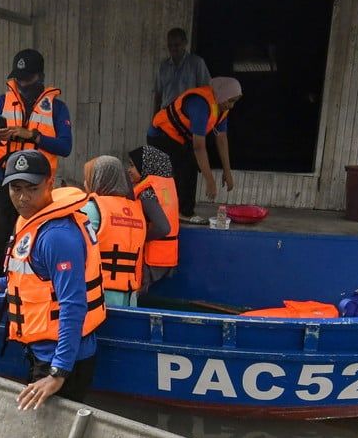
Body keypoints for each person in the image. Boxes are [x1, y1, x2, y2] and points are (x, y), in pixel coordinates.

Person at [0, 150, 105, 409]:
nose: (23, 197)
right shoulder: (33, 221)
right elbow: (34, 279)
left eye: (32, 188)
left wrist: (58, 373)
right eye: (16, 188)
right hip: (45, 351)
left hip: (62, 358)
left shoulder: (57, 236)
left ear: (50, 184)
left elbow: (74, 305)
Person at [0, 48, 74, 278]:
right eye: (18, 79)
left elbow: (65, 147)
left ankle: (38, 288)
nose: (22, 84)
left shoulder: (57, 107)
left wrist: (33, 136)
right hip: (6, 183)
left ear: (40, 76)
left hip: (39, 187)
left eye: (28, 78)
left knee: (38, 240)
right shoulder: (2, 102)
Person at [147, 77, 241, 224]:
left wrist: (227, 171)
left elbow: (222, 139)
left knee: (189, 165)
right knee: (187, 165)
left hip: (180, 137)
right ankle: (183, 212)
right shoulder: (200, 104)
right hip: (161, 135)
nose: (232, 106)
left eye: (234, 101)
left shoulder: (222, 108)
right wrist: (209, 179)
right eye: (230, 101)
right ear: (222, 94)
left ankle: (180, 208)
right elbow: (198, 147)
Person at [82, 155, 170, 306]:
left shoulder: (91, 210)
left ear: (98, 179)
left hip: (98, 297)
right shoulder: (137, 211)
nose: (85, 183)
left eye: (88, 177)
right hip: (130, 299)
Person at [127, 144, 179, 290]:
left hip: (152, 259)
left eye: (132, 165)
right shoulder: (164, 188)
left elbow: (163, 227)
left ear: (147, 166)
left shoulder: (147, 194)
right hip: (166, 255)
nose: (128, 170)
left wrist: (141, 237)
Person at [153, 27, 211, 113]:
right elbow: (158, 95)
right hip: (167, 115)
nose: (173, 48)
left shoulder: (197, 63)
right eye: (170, 45)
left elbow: (206, 91)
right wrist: (155, 118)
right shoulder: (163, 66)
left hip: (188, 115)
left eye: (176, 45)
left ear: (185, 43)